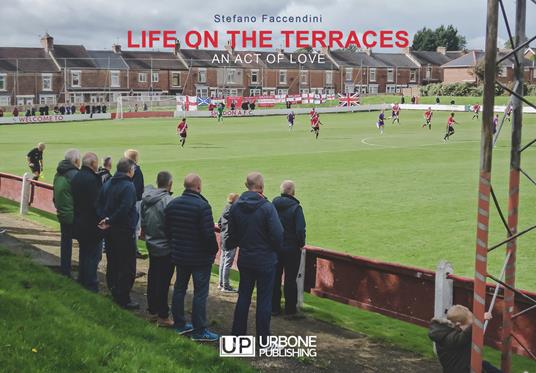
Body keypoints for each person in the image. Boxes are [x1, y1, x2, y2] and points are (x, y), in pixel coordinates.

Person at [227, 172, 284, 344]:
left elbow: (232, 235)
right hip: (265, 259)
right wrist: (273, 250)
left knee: (243, 296)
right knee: (264, 300)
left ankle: (237, 336)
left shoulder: (236, 206)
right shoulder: (267, 207)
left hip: (246, 257)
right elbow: (278, 234)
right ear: (260, 186)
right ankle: (263, 339)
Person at [165, 173, 220, 341]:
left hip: (180, 255)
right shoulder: (202, 206)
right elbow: (208, 235)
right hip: (199, 258)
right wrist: (213, 251)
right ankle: (199, 330)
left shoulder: (173, 204)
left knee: (179, 288)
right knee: (200, 293)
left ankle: (180, 324)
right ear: (198, 187)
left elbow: (168, 231)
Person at [97, 157, 139, 309]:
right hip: (123, 230)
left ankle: (114, 290)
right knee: (127, 266)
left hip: (110, 230)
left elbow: (100, 204)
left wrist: (106, 220)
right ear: (129, 171)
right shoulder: (128, 186)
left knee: (113, 261)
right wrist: (110, 220)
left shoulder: (108, 183)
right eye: (133, 169)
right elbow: (125, 208)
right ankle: (123, 298)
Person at [141, 171, 174, 327]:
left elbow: (143, 222)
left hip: (151, 243)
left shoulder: (146, 199)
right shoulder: (168, 201)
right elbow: (170, 227)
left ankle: (153, 310)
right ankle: (163, 315)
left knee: (153, 277)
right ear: (170, 184)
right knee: (163, 281)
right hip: (165, 246)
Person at [429, 305, 501, 373]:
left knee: (485, 366)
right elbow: (465, 334)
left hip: (465, 365)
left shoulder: (448, 332)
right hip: (460, 371)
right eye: (468, 325)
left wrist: (477, 319)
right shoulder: (450, 338)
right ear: (458, 324)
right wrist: (480, 319)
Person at [272, 180, 306, 317]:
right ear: (292, 191)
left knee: (275, 277)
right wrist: (300, 243)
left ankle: (274, 308)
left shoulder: (272, 205)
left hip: (275, 246)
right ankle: (290, 310)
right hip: (291, 248)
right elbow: (300, 229)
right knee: (290, 279)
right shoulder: (296, 208)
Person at [71, 152, 102, 292]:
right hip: (91, 224)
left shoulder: (77, 177)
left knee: (84, 253)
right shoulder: (92, 179)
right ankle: (90, 285)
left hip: (79, 221)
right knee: (92, 256)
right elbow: (96, 204)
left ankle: (82, 281)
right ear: (93, 164)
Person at [53, 149, 81, 278]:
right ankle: (83, 273)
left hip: (62, 212)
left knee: (66, 242)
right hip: (73, 214)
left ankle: (65, 270)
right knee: (86, 243)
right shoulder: (74, 174)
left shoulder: (58, 173)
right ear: (75, 161)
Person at [124, 149, 145, 259]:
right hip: (134, 202)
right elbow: (136, 189)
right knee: (135, 227)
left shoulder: (123, 169)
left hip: (128, 201)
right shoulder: (136, 170)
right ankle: (134, 250)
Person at [217, 193, 240, 292]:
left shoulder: (225, 209)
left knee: (223, 261)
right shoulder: (234, 211)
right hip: (231, 240)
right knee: (227, 263)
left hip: (223, 239)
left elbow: (219, 223)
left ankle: (221, 284)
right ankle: (225, 286)